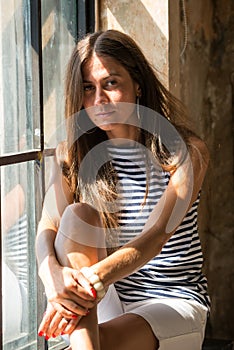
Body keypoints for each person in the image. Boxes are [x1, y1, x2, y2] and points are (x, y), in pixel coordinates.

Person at [36, 29, 210, 350]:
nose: (99, 100)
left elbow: (156, 236)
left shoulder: (186, 151)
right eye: (88, 88)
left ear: (138, 84)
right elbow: (48, 229)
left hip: (171, 300)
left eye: (111, 83)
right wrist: (54, 283)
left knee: (96, 342)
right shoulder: (73, 153)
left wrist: (85, 286)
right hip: (107, 298)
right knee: (77, 216)